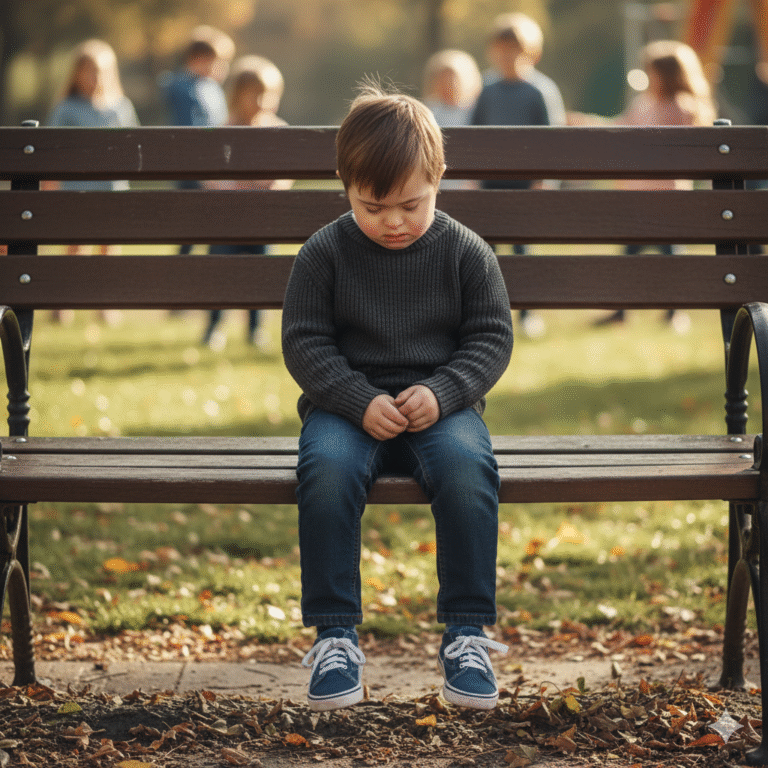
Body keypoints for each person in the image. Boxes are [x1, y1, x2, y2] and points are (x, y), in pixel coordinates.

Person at [282, 80, 514, 713]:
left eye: (411, 205)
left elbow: (491, 339)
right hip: (345, 411)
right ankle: (335, 637)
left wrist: (443, 393)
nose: (391, 222)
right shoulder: (325, 253)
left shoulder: (466, 252)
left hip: (441, 409)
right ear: (345, 185)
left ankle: (467, 631)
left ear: (438, 178)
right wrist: (356, 400)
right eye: (371, 205)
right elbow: (304, 344)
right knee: (325, 472)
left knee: (469, 470)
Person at [596, 40, 716, 330]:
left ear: (669, 75)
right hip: (638, 196)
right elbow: (622, 126)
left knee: (670, 257)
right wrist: (588, 122)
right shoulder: (645, 104)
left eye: (652, 72)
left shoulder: (681, 108)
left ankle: (674, 310)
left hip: (666, 199)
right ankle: (622, 309)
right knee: (631, 257)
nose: (647, 78)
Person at [46, 39, 140, 324]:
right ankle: (64, 303)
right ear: (75, 74)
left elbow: (133, 145)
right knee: (75, 249)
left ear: (110, 74)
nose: (93, 78)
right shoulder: (66, 109)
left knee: (108, 251)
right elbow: (50, 151)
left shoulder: (120, 107)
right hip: (78, 192)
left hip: (112, 192)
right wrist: (51, 188)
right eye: (87, 71)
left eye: (99, 71)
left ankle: (105, 304)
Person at [471, 14, 553, 339]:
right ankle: (488, 315)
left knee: (522, 250)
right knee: (486, 250)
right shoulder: (487, 90)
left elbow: (551, 141)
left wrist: (542, 181)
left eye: (515, 51)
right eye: (501, 51)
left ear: (531, 53)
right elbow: (473, 134)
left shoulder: (538, 91)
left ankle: (528, 313)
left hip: (524, 182)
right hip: (491, 182)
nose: (507, 58)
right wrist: (473, 176)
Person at [202, 56, 292, 349]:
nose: (262, 100)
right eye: (254, 93)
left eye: (269, 94)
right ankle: (213, 327)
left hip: (261, 221)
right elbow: (209, 176)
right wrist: (232, 187)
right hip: (227, 221)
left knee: (260, 273)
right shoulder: (224, 130)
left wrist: (272, 186)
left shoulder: (278, 129)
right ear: (237, 96)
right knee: (220, 274)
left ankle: (255, 329)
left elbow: (285, 176)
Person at [161, 28, 233, 263]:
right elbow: (190, 130)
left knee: (204, 223)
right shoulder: (184, 88)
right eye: (217, 63)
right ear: (199, 60)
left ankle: (203, 267)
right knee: (192, 223)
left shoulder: (209, 88)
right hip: (195, 167)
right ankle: (185, 271)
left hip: (212, 167)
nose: (222, 69)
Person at [422, 49, 483, 191]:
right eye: (442, 78)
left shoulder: (475, 111)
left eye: (453, 78)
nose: (448, 84)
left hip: (469, 182)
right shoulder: (428, 110)